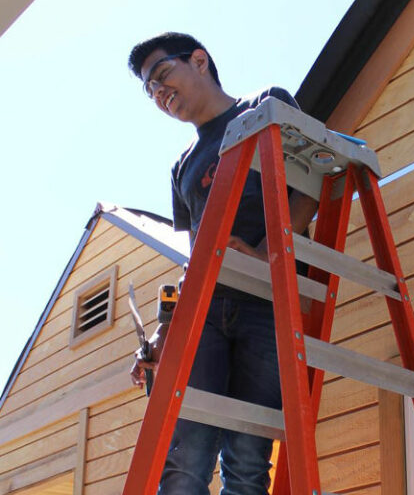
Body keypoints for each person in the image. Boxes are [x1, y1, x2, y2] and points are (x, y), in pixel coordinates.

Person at [127, 32, 318, 494]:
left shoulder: (265, 105)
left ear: (198, 60)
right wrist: (164, 331)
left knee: (248, 459)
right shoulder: (183, 166)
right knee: (185, 452)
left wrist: (268, 253)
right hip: (206, 311)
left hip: (266, 303)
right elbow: (196, 255)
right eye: (150, 92)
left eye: (162, 75)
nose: (159, 94)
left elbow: (311, 185)